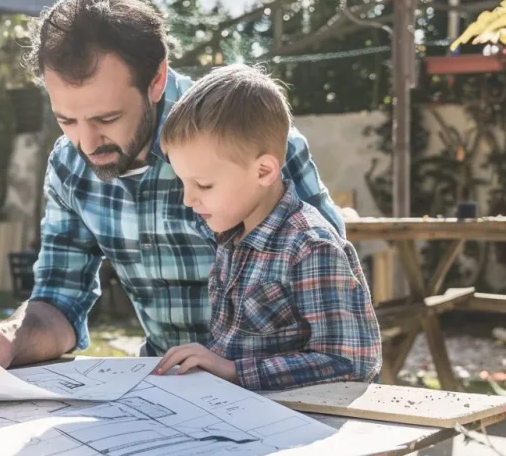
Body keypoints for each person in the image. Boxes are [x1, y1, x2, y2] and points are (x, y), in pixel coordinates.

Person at [0, 0, 385, 456]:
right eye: (66, 120)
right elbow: (59, 300)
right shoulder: (70, 165)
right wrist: (6, 338)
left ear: (156, 80)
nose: (86, 142)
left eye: (104, 117)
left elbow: (332, 296)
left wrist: (241, 371)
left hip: (285, 401)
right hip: (167, 397)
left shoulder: (246, 136)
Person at [152, 63, 382, 389]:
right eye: (183, 183)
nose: (188, 200)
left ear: (263, 172)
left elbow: (351, 362)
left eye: (203, 185)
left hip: (302, 425)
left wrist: (234, 370)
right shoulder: (231, 236)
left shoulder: (310, 247)